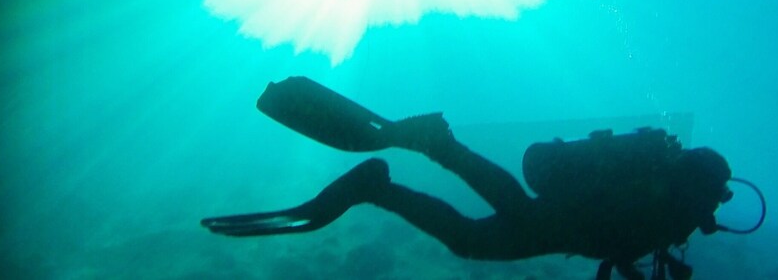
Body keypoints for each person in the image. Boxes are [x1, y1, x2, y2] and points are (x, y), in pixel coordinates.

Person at [202, 77, 745, 280]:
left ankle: (430, 150)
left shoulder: (671, 200)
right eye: (716, 199)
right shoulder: (674, 207)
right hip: (564, 224)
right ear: (704, 187)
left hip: (561, 218)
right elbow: (622, 235)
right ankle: (387, 180)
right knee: (474, 239)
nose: (714, 210)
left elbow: (621, 241)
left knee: (500, 211)